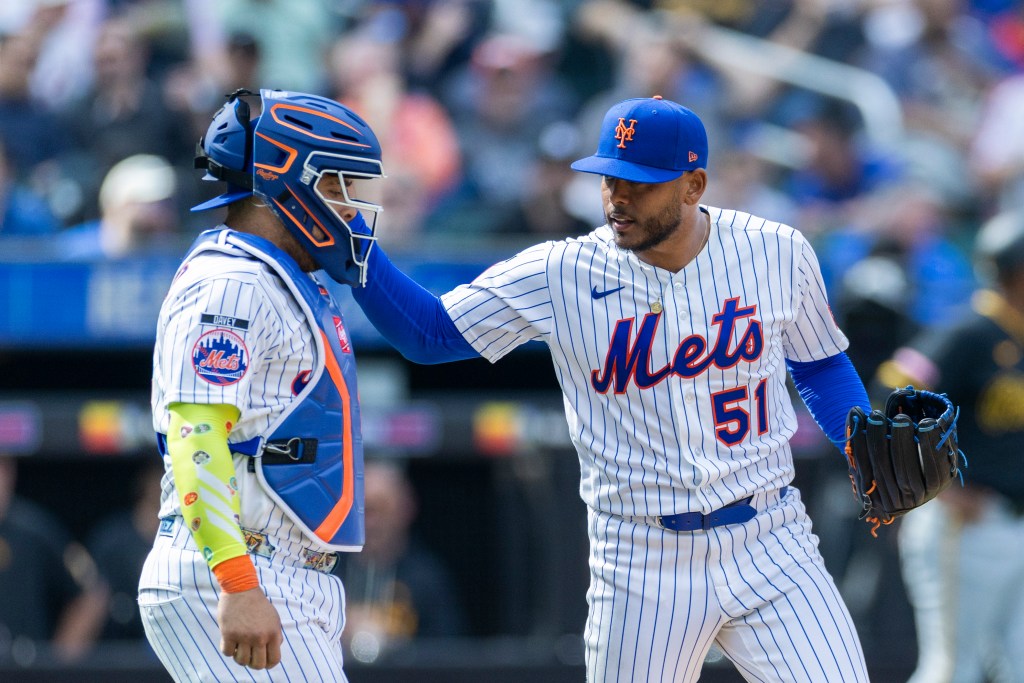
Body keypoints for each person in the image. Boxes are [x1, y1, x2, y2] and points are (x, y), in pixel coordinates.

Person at [351, 95, 872, 681]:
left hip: (771, 538)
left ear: (693, 184)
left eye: (639, 184)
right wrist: (358, 253)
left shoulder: (775, 250)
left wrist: (861, 438)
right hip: (641, 556)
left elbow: (821, 363)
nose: (617, 199)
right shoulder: (560, 271)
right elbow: (430, 334)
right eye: (609, 178)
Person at [137, 88, 385, 682]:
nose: (349, 208)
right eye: (333, 186)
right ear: (283, 183)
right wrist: (238, 581)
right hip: (240, 565)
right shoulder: (234, 284)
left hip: (277, 570)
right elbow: (196, 438)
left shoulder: (279, 276)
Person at [876, 209, 1024, 683]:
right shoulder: (969, 332)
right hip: (964, 524)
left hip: (1013, 522)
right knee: (951, 669)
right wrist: (935, 483)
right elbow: (892, 399)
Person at [333, 459, 466, 663]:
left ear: (405, 509)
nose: (372, 523)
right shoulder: (329, 569)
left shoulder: (426, 577)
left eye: (382, 509)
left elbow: (448, 650)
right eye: (364, 511)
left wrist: (392, 638)